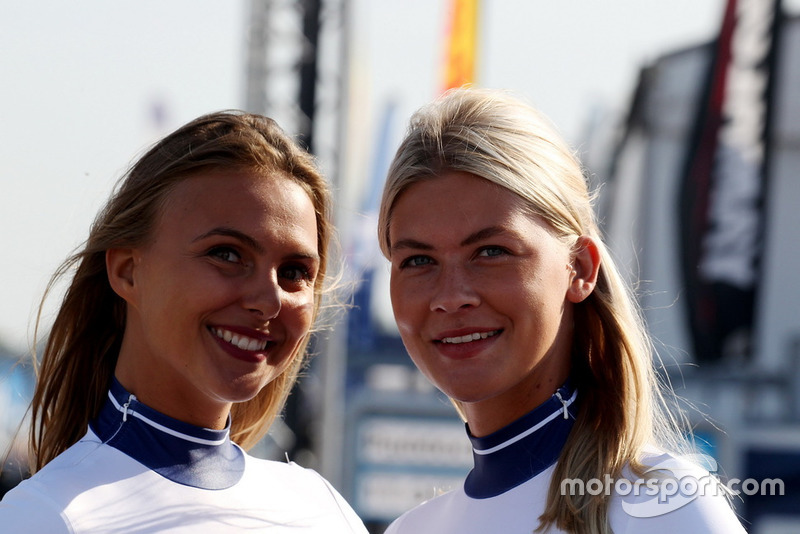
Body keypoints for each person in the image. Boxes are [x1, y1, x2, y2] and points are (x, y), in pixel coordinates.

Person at [377, 88, 747, 533]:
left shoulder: (665, 507)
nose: (452, 296)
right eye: (419, 261)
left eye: (491, 251)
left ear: (580, 268)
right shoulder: (411, 530)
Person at [0, 111, 368, 533]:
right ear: (127, 271)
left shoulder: (320, 509)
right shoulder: (48, 514)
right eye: (227, 254)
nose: (268, 301)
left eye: (294, 272)